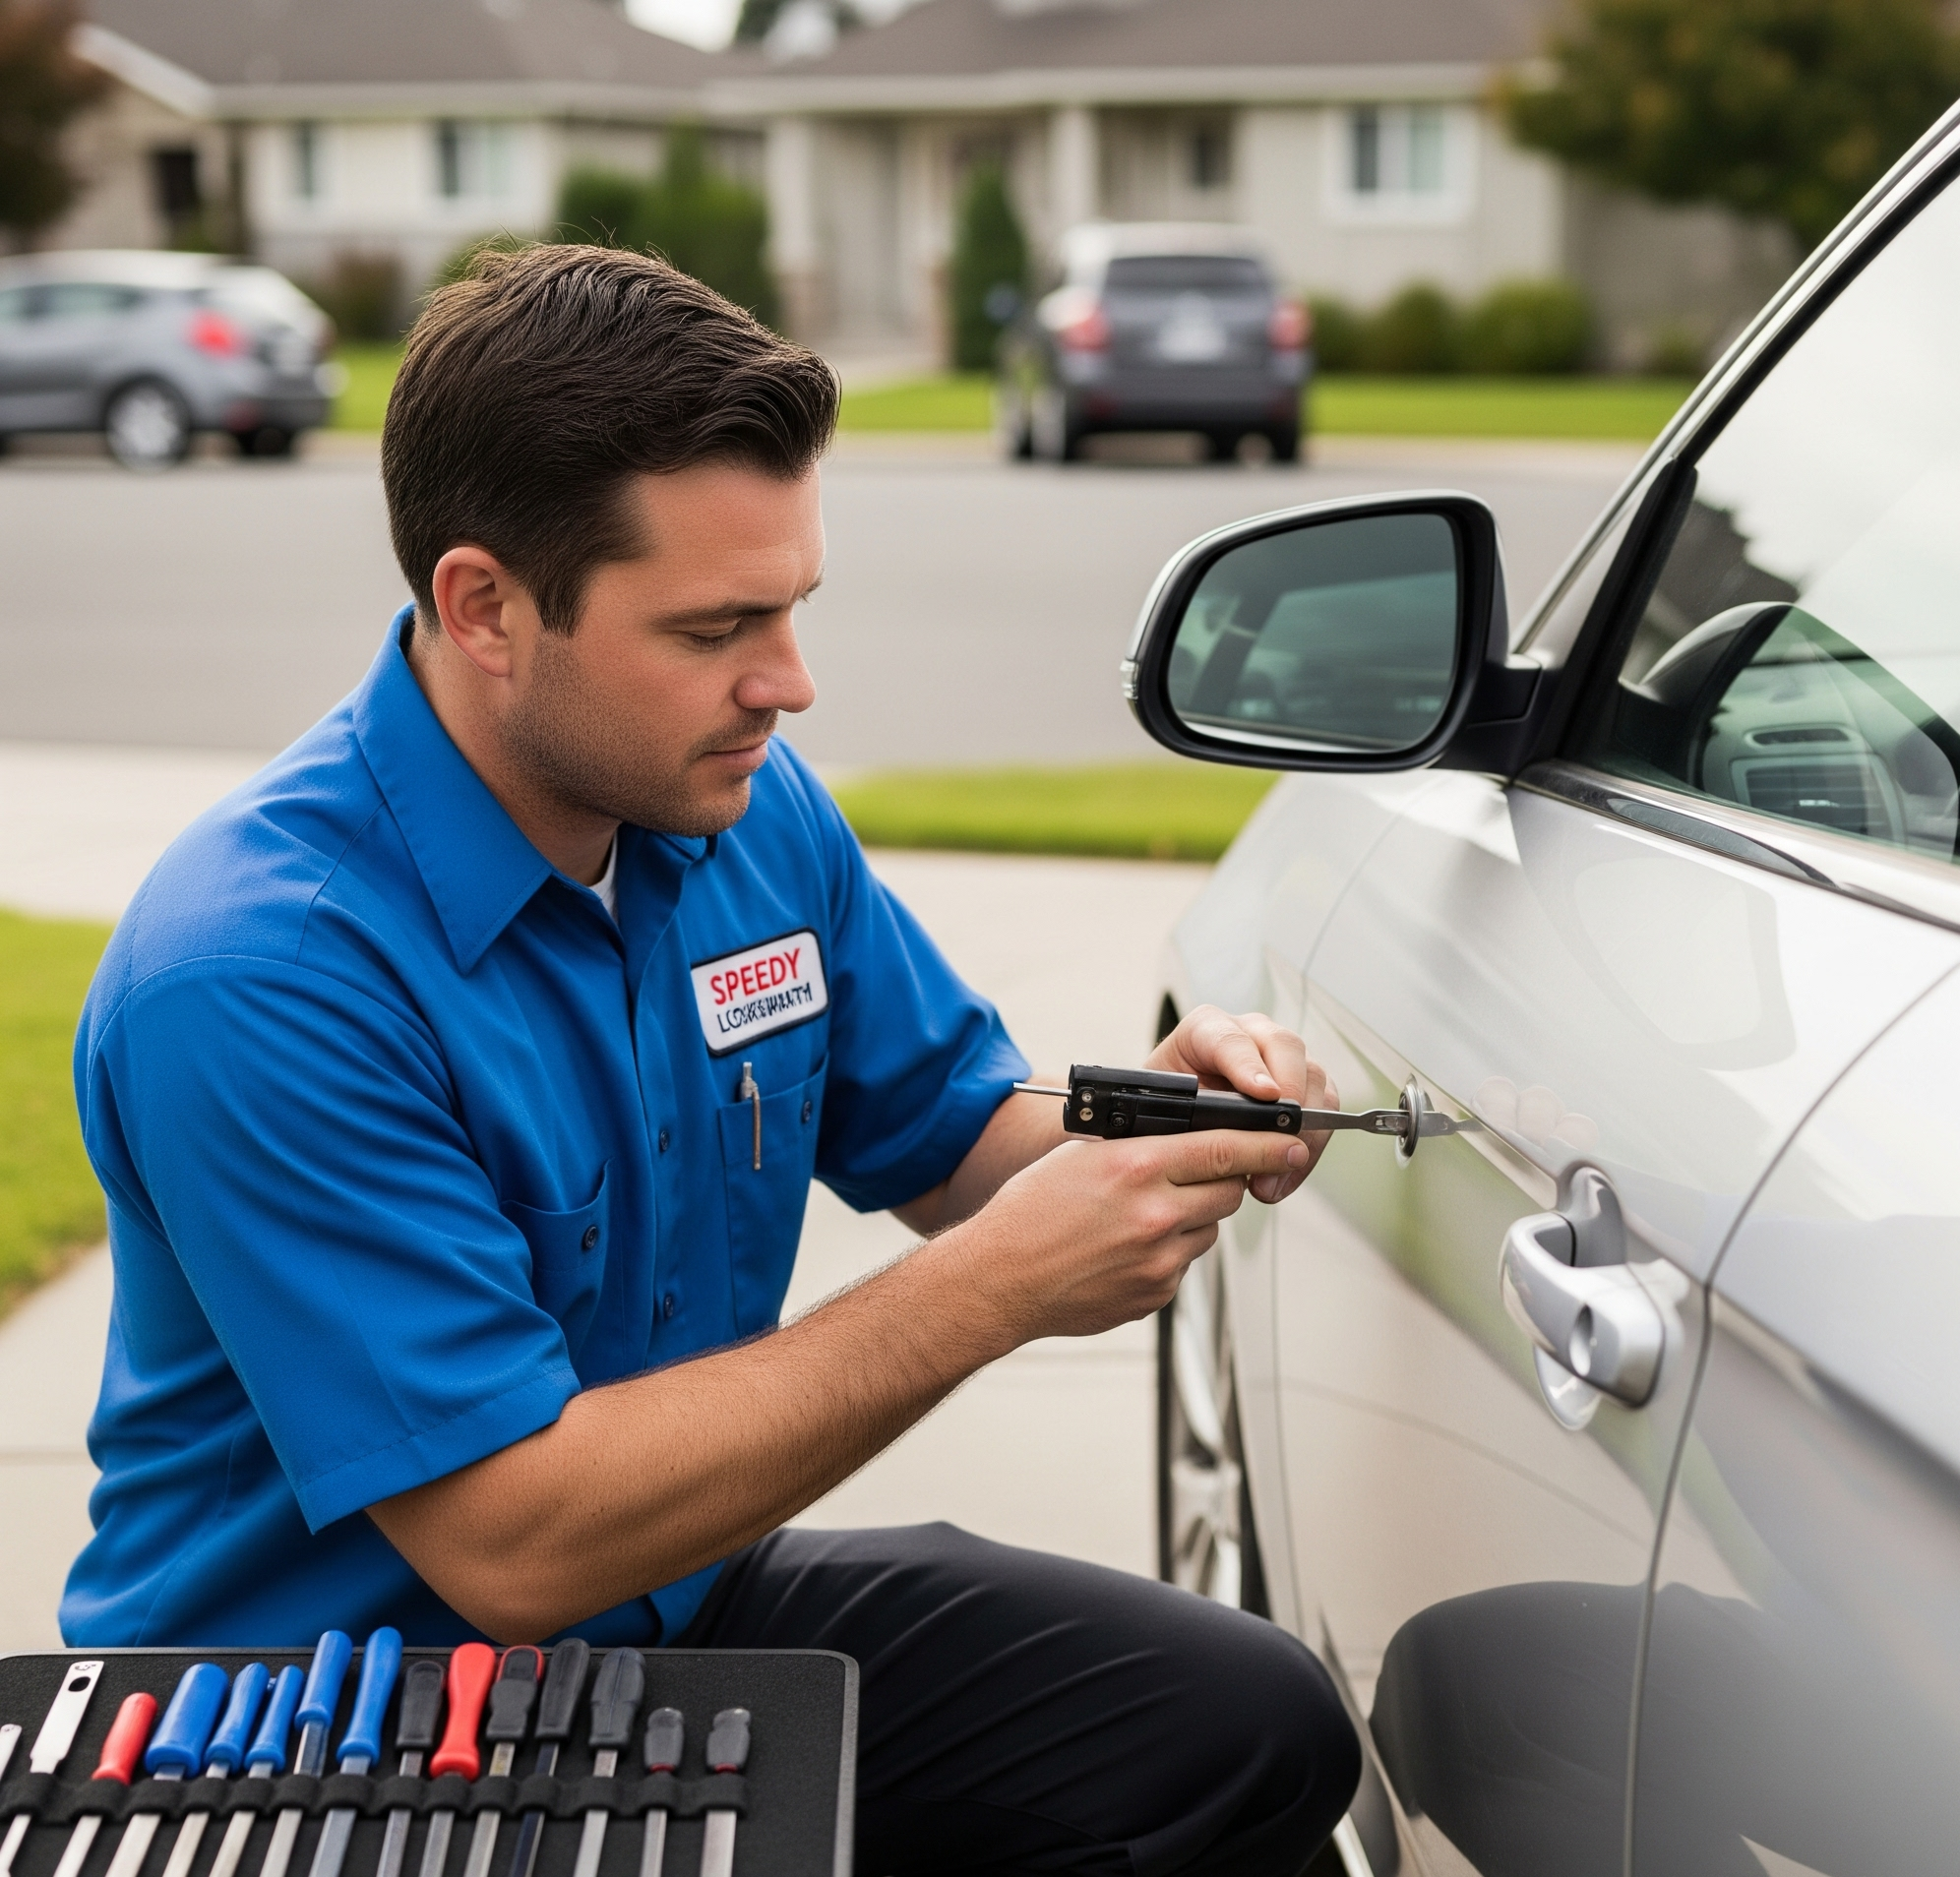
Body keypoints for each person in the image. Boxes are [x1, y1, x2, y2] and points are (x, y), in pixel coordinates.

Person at [65, 245, 1358, 1875]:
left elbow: (960, 1137)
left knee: (1245, 1732)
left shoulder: (730, 807)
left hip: (672, 1609)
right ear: (485, 607)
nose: (788, 684)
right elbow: (515, 1543)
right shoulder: (261, 977)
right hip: (320, 1725)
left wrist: (1150, 1118)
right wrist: (991, 1293)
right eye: (717, 627)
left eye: (795, 606)